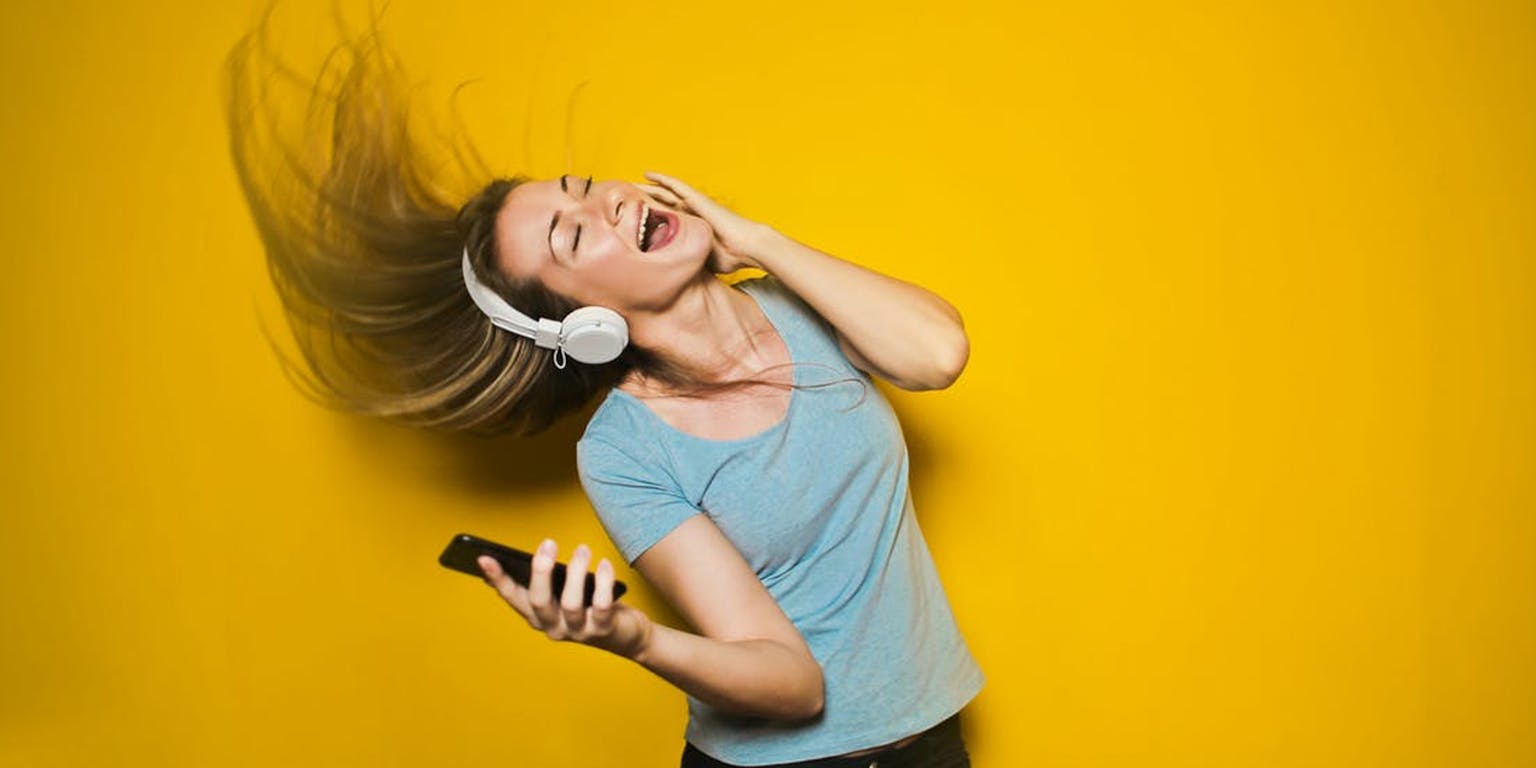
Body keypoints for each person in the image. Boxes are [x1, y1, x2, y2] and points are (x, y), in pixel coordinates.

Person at [226, 18, 983, 768]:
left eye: (585, 191)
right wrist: (634, 638)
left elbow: (938, 354)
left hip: (932, 741)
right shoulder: (624, 450)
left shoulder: (802, 302)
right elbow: (793, 687)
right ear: (583, 325)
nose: (608, 205)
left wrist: (755, 240)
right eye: (575, 237)